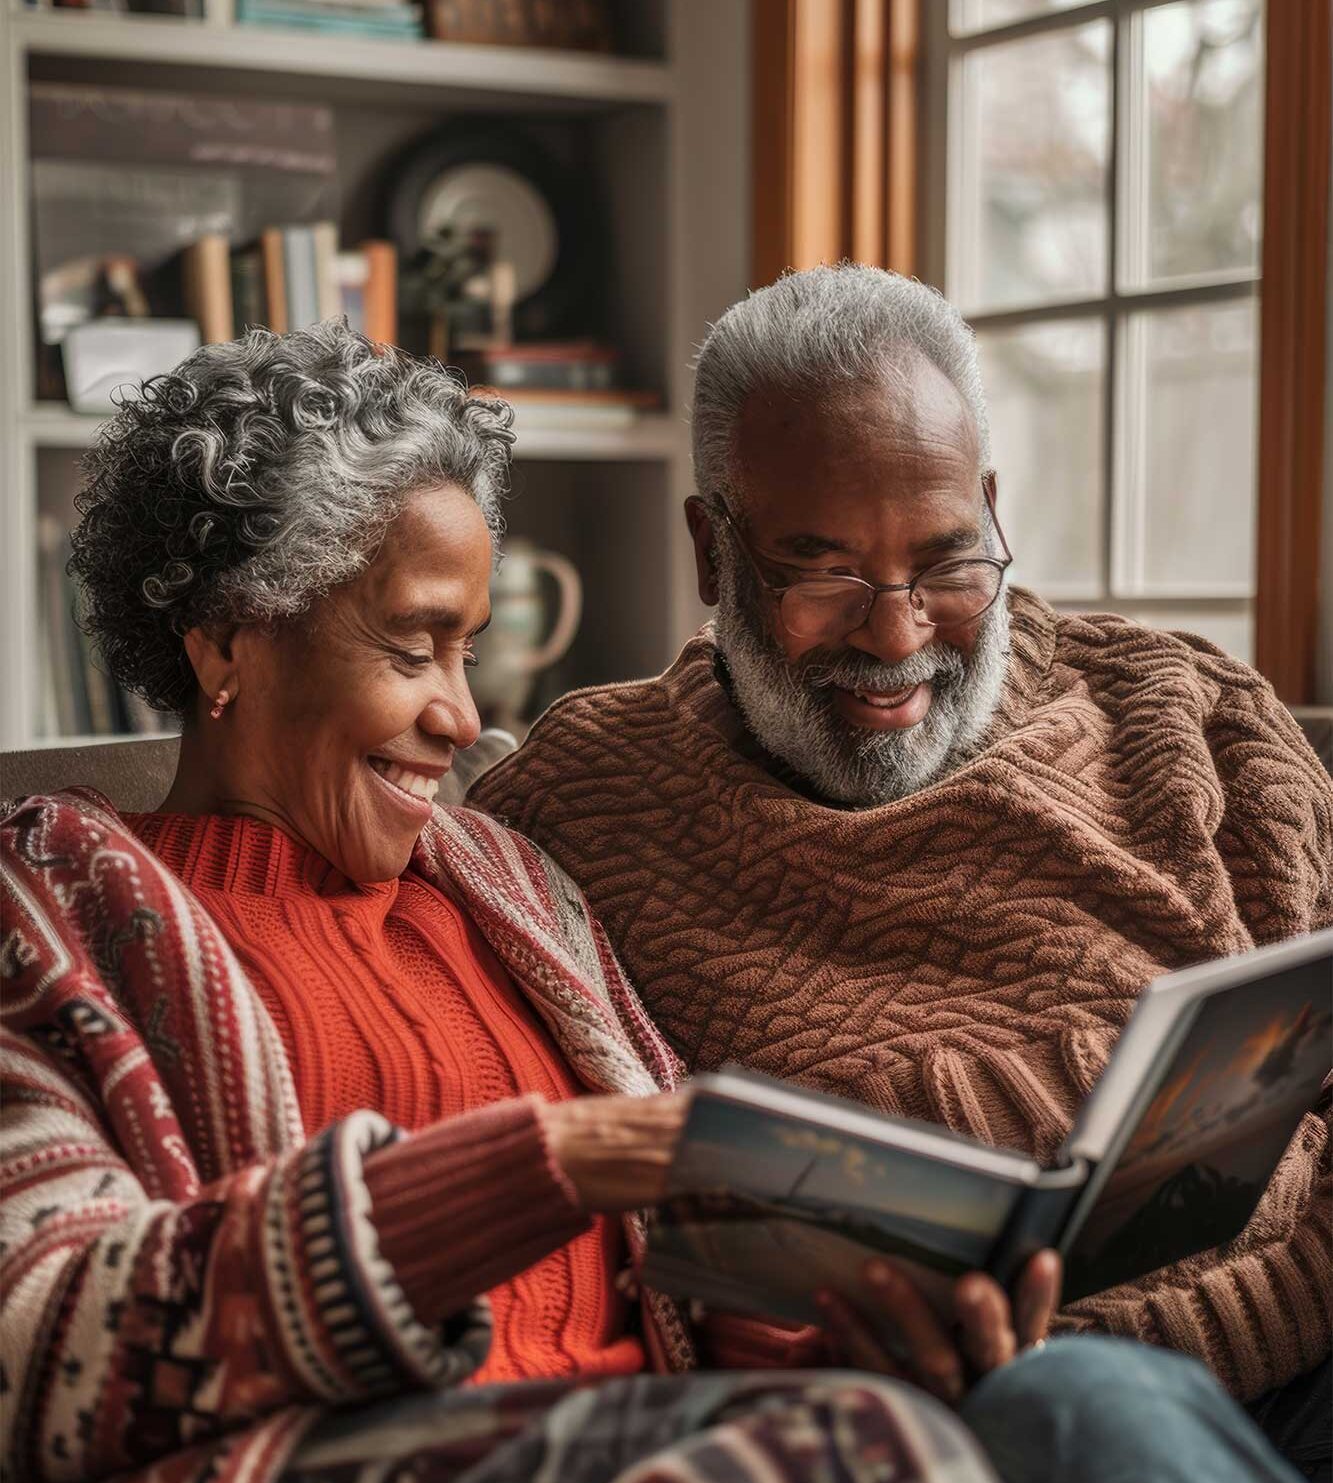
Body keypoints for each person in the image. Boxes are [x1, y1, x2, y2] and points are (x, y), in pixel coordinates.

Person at [0, 321, 1300, 1483]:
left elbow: (696, 1289)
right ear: (226, 640)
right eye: (412, 646)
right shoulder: (50, 911)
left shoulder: (508, 891)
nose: (461, 716)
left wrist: (857, 1312)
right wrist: (565, 1155)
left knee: (1015, 1403)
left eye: (469, 648)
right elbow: (48, 1346)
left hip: (734, 1432)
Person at [468, 266, 1333, 1478]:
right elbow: (551, 1200)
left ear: (990, 509)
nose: (897, 633)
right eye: (823, 574)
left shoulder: (1187, 714)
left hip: (1314, 1337)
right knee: (1075, 1404)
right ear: (712, 551)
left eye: (946, 561)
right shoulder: (571, 811)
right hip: (998, 1417)